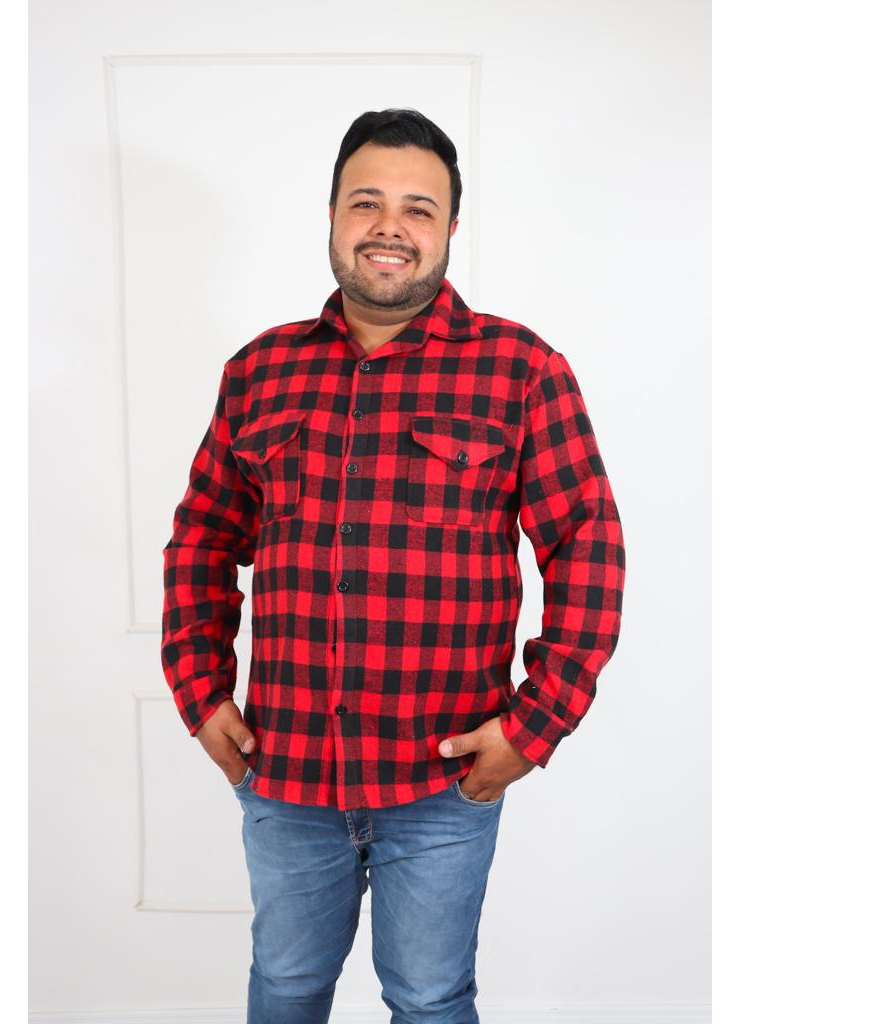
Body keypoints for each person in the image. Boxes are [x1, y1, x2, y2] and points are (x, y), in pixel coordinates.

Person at [161, 107, 626, 1024]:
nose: (390, 226)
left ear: (451, 228)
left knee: (429, 997)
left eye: (419, 208)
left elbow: (588, 546)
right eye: (366, 202)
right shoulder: (259, 370)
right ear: (333, 215)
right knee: (286, 987)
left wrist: (534, 727)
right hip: (286, 773)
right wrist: (199, 690)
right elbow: (204, 537)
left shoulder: (522, 369)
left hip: (442, 779)